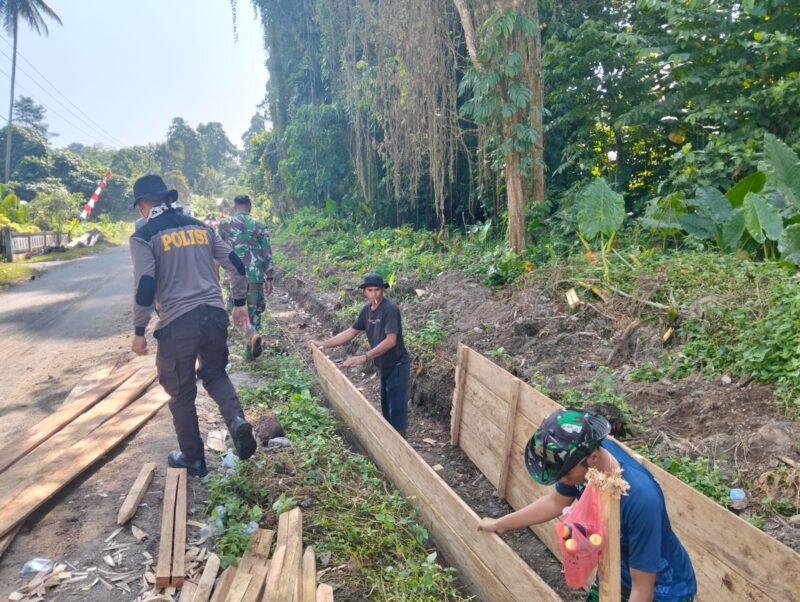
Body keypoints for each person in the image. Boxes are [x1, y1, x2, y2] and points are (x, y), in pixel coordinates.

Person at [478, 408, 696, 602]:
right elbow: (555, 502)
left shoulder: (640, 500)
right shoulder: (587, 466)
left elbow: (643, 589)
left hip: (663, 589)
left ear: (592, 458)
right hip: (617, 569)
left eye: (565, 474)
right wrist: (501, 523)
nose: (561, 480)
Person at [129, 174, 258, 477]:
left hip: (177, 323)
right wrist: (239, 303)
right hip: (214, 315)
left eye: (139, 206)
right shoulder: (202, 228)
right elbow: (236, 264)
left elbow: (146, 283)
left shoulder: (143, 236)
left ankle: (194, 460)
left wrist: (139, 330)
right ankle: (237, 421)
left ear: (144, 205)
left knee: (181, 393)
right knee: (214, 374)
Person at [311, 273, 411, 436]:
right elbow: (351, 332)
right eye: (370, 290)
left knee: (397, 411)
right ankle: (390, 439)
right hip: (383, 365)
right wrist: (324, 344)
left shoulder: (390, 310)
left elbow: (391, 341)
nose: (374, 294)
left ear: (382, 290)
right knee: (386, 409)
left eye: (377, 290)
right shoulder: (366, 311)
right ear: (364, 292)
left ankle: (402, 447)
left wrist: (364, 357)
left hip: (397, 365)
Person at [217, 194, 274, 360]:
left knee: (234, 308)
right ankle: (250, 351)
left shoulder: (224, 224)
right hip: (255, 275)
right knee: (253, 312)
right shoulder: (260, 225)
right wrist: (269, 279)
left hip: (234, 275)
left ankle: (222, 343)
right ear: (250, 207)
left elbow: (217, 251)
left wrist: (216, 274)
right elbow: (267, 253)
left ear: (234, 207)